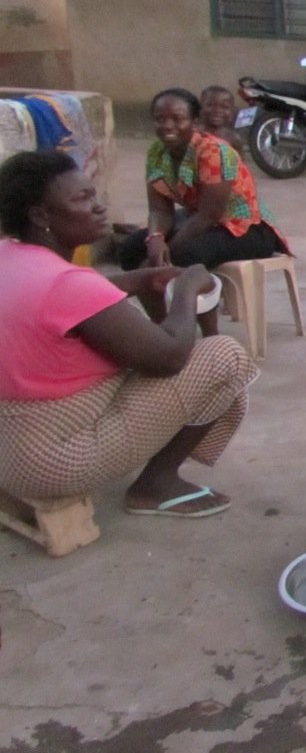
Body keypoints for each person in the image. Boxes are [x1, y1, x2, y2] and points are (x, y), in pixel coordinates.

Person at [0, 150, 257, 517]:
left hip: (7, 453)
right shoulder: (67, 285)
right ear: (40, 216)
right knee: (224, 356)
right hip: (54, 464)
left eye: (94, 195)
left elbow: (66, 297)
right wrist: (187, 288)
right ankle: (156, 483)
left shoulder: (10, 255)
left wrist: (138, 280)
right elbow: (169, 357)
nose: (99, 207)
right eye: (81, 199)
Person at [118, 88, 288, 335]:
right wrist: (155, 238)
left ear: (195, 122)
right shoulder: (156, 152)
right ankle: (163, 329)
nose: (168, 126)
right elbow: (159, 208)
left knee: (182, 256)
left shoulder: (214, 151)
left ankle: (205, 337)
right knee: (131, 249)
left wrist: (168, 249)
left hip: (247, 227)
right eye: (160, 118)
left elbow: (210, 214)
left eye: (178, 119)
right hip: (201, 221)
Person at [199, 85, 246, 157]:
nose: (217, 111)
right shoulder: (194, 135)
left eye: (225, 107)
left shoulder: (233, 139)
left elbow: (240, 165)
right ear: (200, 107)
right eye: (210, 105)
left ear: (232, 111)